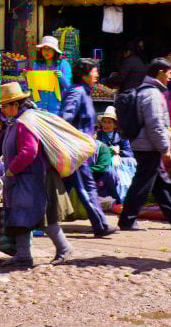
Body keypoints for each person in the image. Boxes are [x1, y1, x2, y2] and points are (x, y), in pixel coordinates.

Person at [0, 82, 74, 266]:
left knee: (40, 215)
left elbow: (28, 151)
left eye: (4, 105)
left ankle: (64, 248)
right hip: (24, 177)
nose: (2, 109)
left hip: (31, 177)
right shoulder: (19, 121)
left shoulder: (25, 123)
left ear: (15, 105)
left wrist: (11, 169)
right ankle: (24, 255)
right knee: (21, 214)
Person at [60, 58, 118, 237]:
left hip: (80, 149)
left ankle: (40, 222)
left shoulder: (83, 92)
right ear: (84, 74)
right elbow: (64, 119)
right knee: (86, 186)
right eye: (94, 71)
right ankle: (100, 224)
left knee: (62, 188)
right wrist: (76, 140)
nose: (97, 75)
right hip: (76, 150)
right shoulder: (77, 93)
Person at [118, 57, 171, 231]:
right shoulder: (152, 94)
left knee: (161, 183)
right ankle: (127, 220)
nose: (170, 77)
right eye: (169, 73)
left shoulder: (146, 90)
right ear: (160, 73)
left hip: (144, 144)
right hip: (148, 146)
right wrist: (164, 147)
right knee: (142, 184)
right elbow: (155, 124)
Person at [30, 36, 72, 114]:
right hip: (40, 106)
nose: (46, 52)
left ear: (55, 51)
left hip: (56, 107)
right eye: (44, 49)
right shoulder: (37, 64)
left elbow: (69, 85)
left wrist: (61, 76)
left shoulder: (64, 64)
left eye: (49, 49)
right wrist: (27, 77)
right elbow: (33, 86)